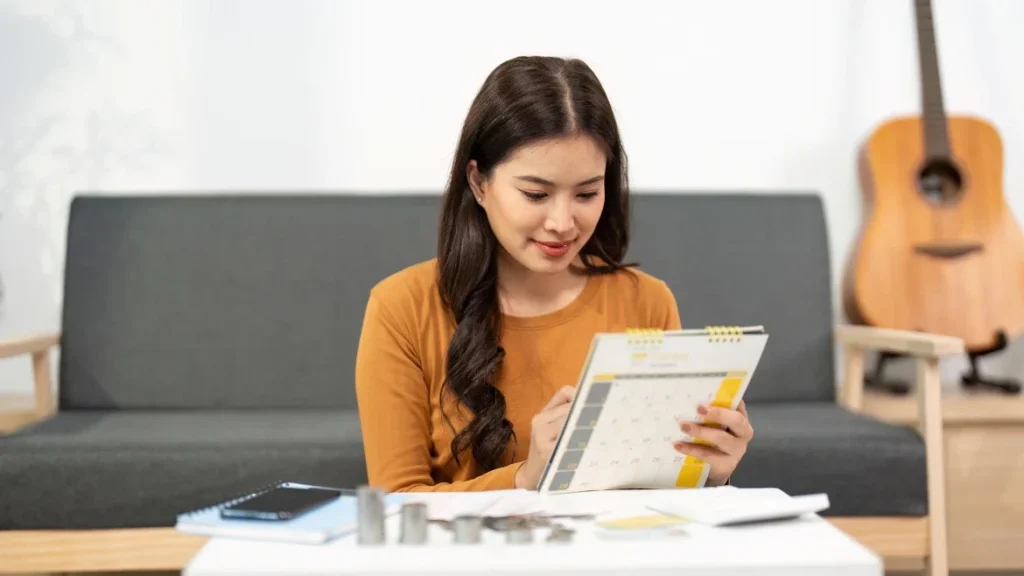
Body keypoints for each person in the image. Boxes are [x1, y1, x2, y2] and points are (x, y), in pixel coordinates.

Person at [354, 55, 753, 492]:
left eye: (586, 193)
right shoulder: (402, 308)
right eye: (536, 194)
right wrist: (525, 478)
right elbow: (396, 503)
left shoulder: (647, 301)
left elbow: (661, 490)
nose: (563, 222)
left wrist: (711, 474)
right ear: (479, 182)